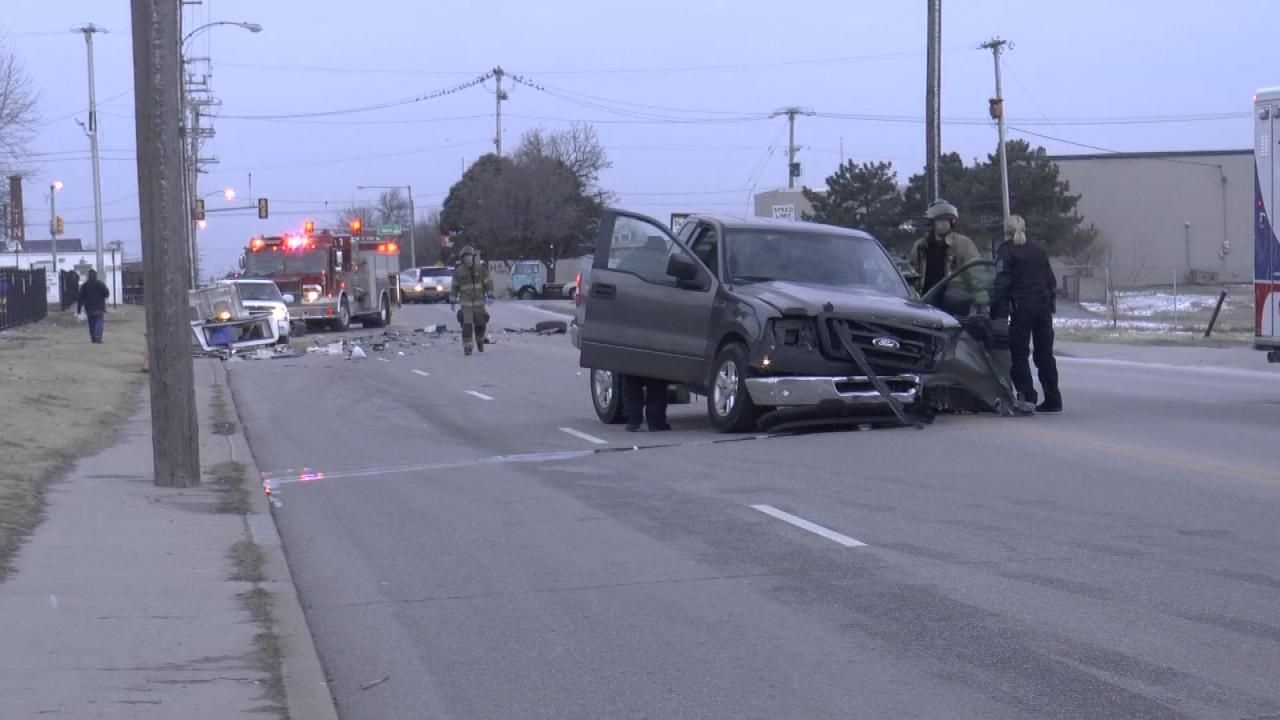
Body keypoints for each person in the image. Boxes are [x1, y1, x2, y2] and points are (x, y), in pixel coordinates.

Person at [990, 214, 1062, 413]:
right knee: (1045, 354)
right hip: (1043, 308)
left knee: (1019, 353)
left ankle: (1027, 397)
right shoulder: (1038, 250)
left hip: (1022, 308)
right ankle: (1053, 399)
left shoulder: (1006, 251)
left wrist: (997, 312)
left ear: (1007, 231)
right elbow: (1051, 281)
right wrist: (1050, 305)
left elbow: (1001, 284)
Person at [909, 199, 981, 296]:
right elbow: (913, 273)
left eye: (947, 219)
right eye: (940, 219)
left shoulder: (963, 244)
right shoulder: (921, 246)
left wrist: (980, 293)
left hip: (954, 302)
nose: (944, 223)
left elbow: (975, 271)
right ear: (932, 222)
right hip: (926, 299)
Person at [449, 246, 494, 356]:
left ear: (473, 257)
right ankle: (468, 347)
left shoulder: (481, 269)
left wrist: (490, 294)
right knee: (467, 326)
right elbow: (454, 287)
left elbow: (488, 282)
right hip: (466, 305)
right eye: (465, 257)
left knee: (481, 324)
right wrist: (452, 299)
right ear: (462, 258)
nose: (468, 259)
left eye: (469, 257)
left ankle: (480, 341)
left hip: (479, 304)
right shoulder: (459, 272)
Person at [76, 269, 111, 344]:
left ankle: (93, 338)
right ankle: (98, 337)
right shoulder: (100, 284)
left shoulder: (84, 286)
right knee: (99, 321)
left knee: (91, 323)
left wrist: (78, 309)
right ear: (96, 275)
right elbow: (107, 294)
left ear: (88, 276)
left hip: (89, 308)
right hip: (99, 307)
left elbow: (80, 298)